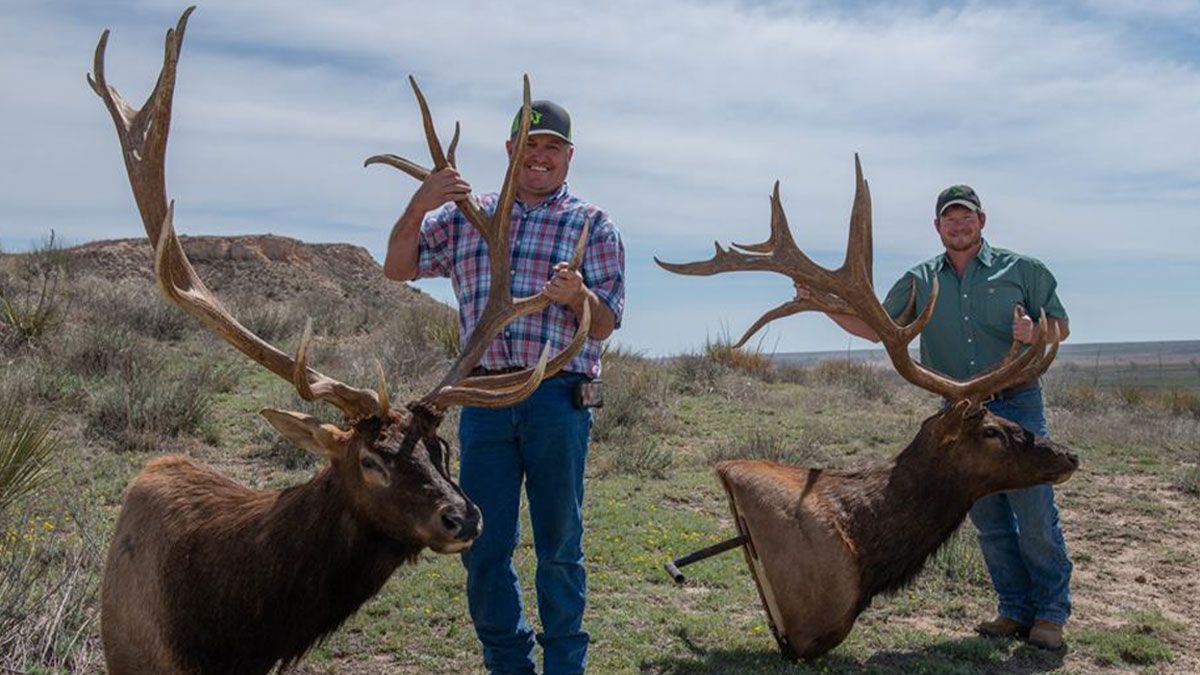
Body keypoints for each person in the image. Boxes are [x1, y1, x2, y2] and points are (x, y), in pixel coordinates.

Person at [383, 98, 625, 675]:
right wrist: (421, 201)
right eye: (530, 146)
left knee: (560, 546)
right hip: (484, 402)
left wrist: (580, 299)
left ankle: (566, 666)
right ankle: (508, 663)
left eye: (553, 149)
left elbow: (609, 321)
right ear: (512, 151)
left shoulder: (592, 224)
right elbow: (398, 265)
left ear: (569, 157)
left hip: (558, 401)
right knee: (483, 547)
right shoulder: (467, 215)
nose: (541, 158)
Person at [805, 184, 1072, 650]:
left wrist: (1036, 330)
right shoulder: (919, 279)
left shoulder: (1024, 271)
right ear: (937, 227)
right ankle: (1013, 611)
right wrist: (821, 304)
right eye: (950, 219)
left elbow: (1061, 326)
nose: (958, 225)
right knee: (987, 517)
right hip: (960, 417)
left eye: (965, 217)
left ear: (981, 221)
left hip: (1016, 403)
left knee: (1033, 514)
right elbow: (874, 329)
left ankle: (1049, 614)